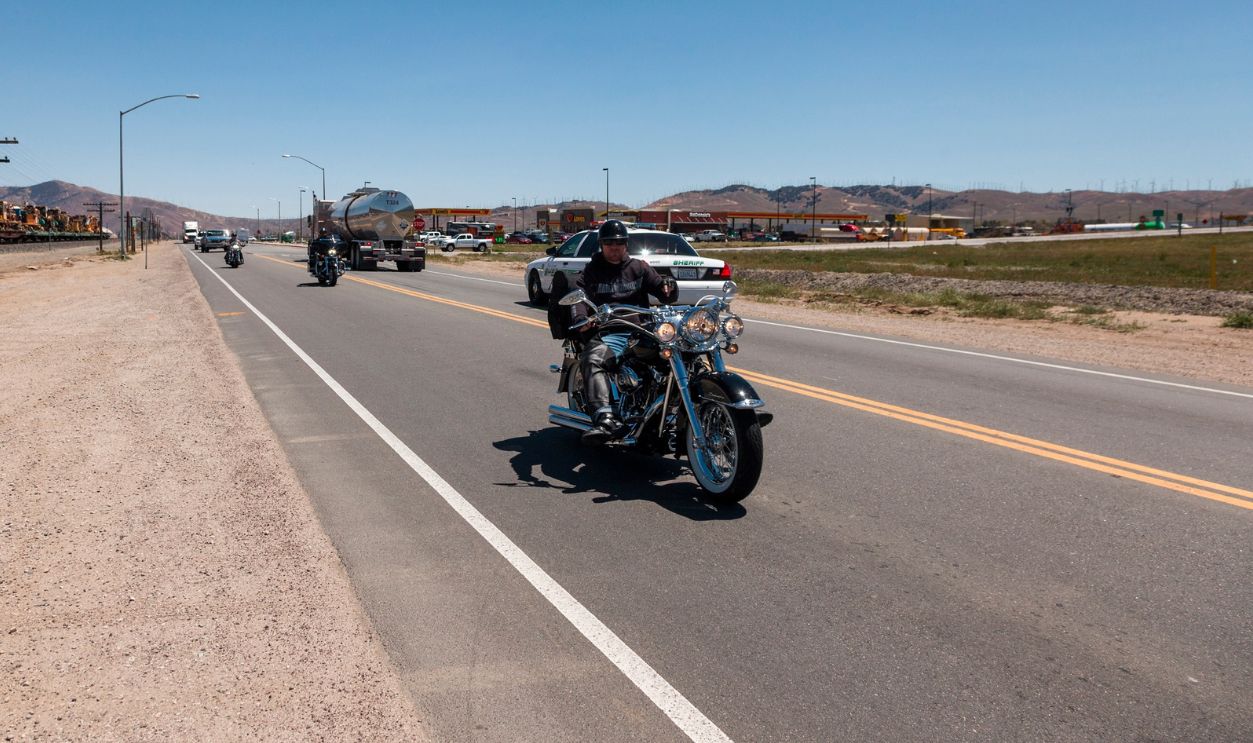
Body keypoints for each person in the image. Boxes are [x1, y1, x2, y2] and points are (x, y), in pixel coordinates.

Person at [569, 220, 676, 445]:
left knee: (681, 349)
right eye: (609, 243)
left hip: (644, 329)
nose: (614, 247)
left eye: (619, 243)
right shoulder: (592, 271)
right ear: (601, 245)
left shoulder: (639, 268)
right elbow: (578, 296)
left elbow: (664, 292)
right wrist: (580, 319)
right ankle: (605, 418)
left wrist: (668, 285)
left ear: (626, 244)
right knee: (594, 359)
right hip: (613, 330)